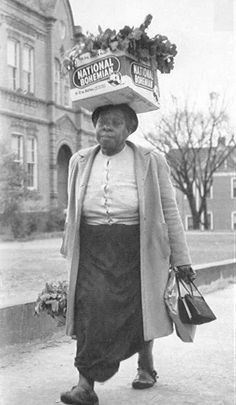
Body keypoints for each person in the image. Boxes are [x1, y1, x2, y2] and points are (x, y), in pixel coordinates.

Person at [60, 103, 195, 405]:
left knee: (138, 307)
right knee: (89, 309)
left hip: (136, 247)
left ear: (129, 129)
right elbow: (72, 208)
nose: (105, 127)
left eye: (114, 122)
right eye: (101, 122)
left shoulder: (150, 160)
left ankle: (145, 366)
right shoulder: (80, 161)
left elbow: (169, 210)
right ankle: (85, 385)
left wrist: (181, 258)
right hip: (93, 247)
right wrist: (67, 247)